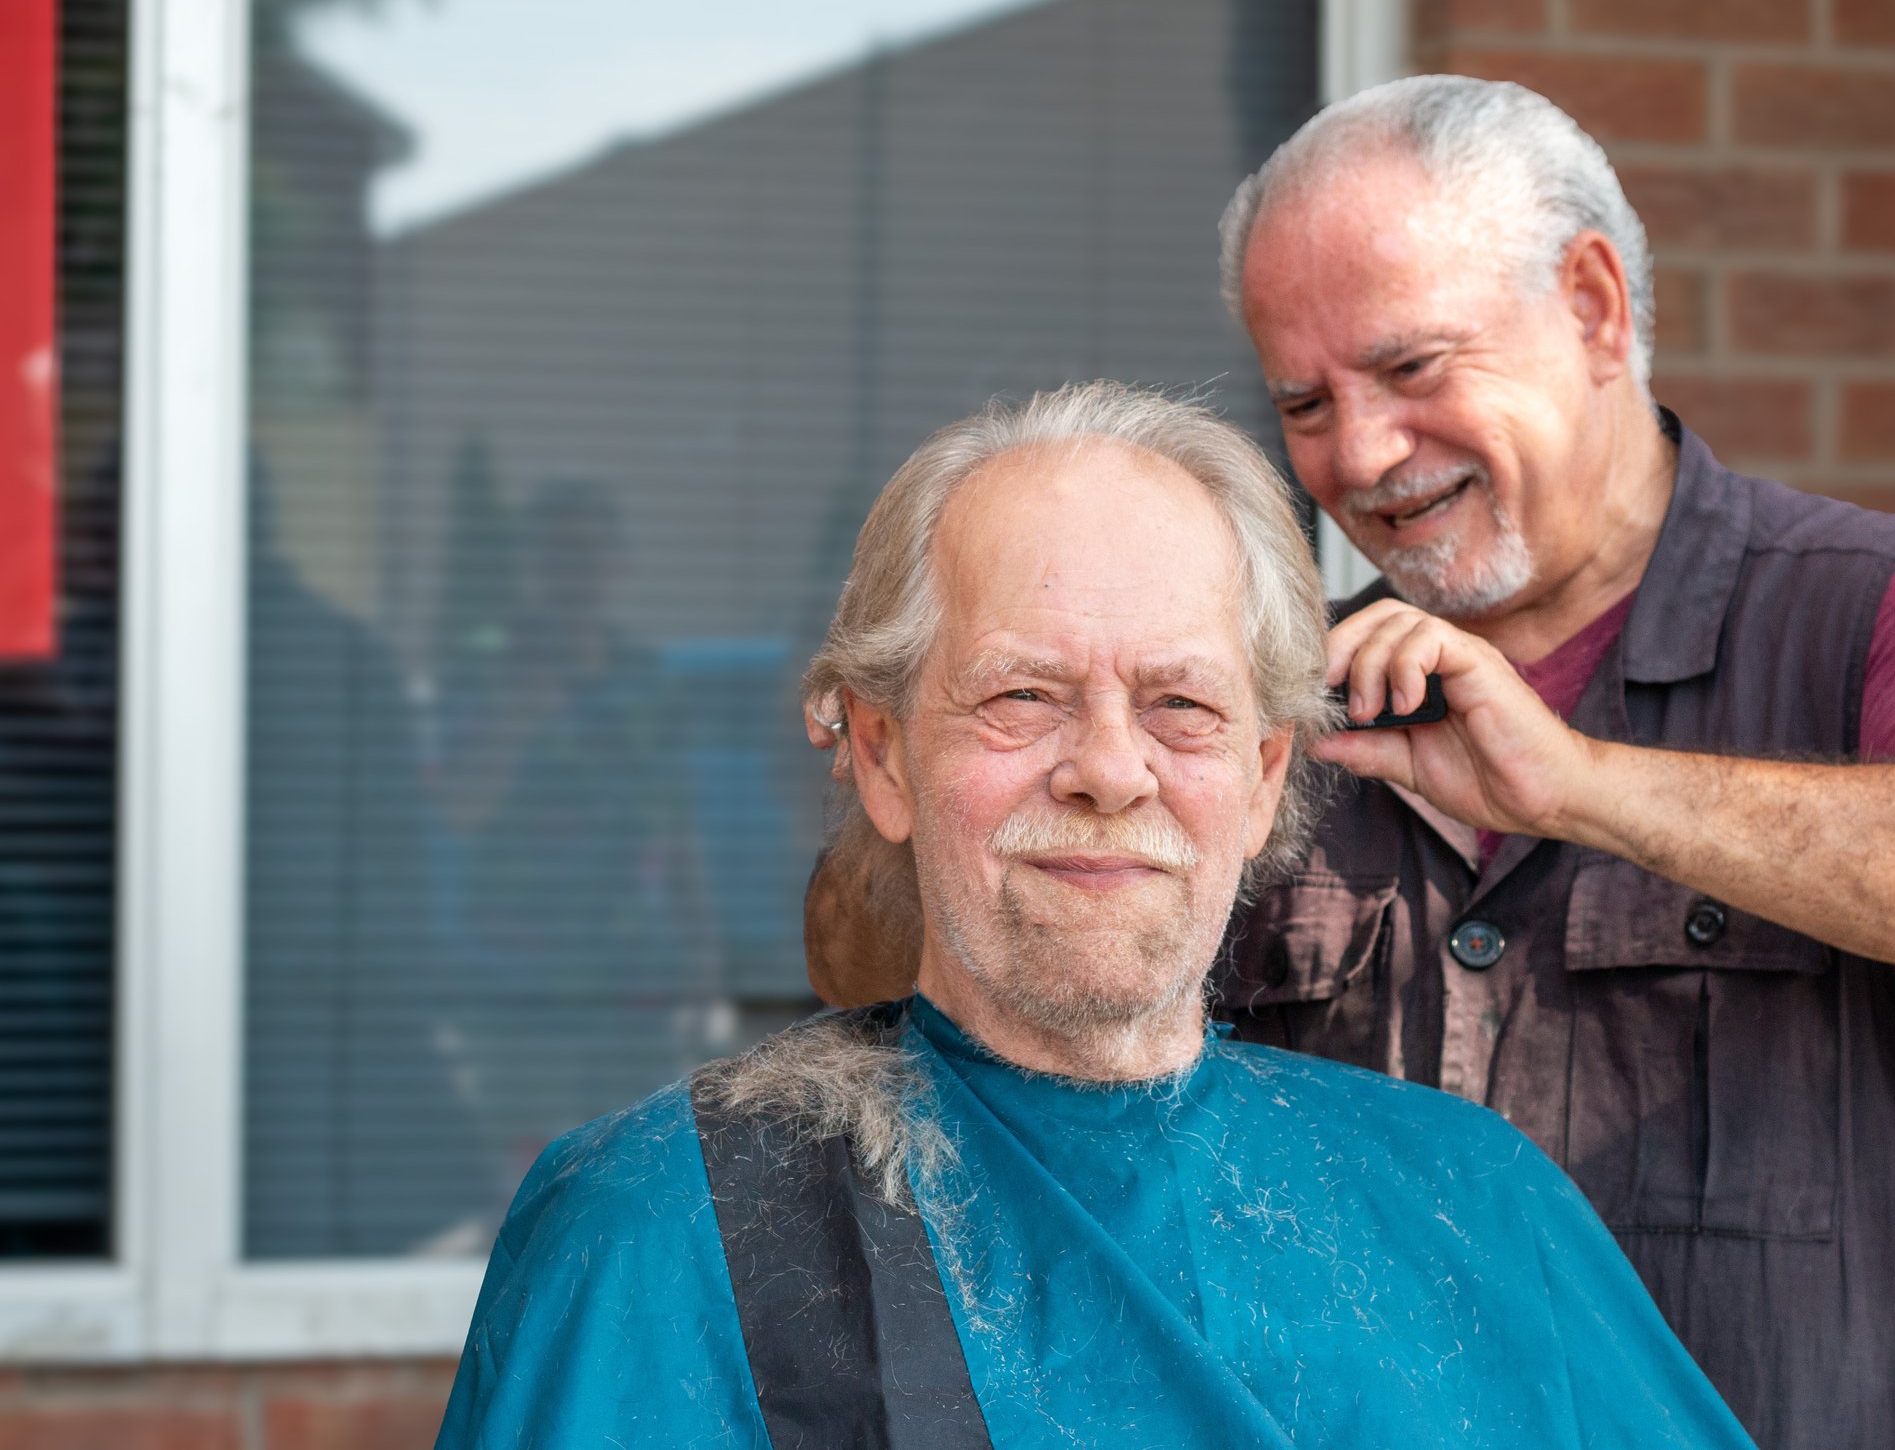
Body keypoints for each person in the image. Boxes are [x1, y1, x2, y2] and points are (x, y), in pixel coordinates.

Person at [806, 79, 1895, 1450]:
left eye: (1413, 370)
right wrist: (929, 754)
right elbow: (889, 986)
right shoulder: (1249, 690)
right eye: (1305, 401)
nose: (1360, 454)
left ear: (1596, 308)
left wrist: (1578, 783)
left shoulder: (1877, 601)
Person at [436, 383, 1753, 1450]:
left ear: (1262, 777)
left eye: (1181, 705)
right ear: (885, 758)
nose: (1110, 769)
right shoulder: (674, 1220)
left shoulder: (1477, 1204)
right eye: (1020, 698)